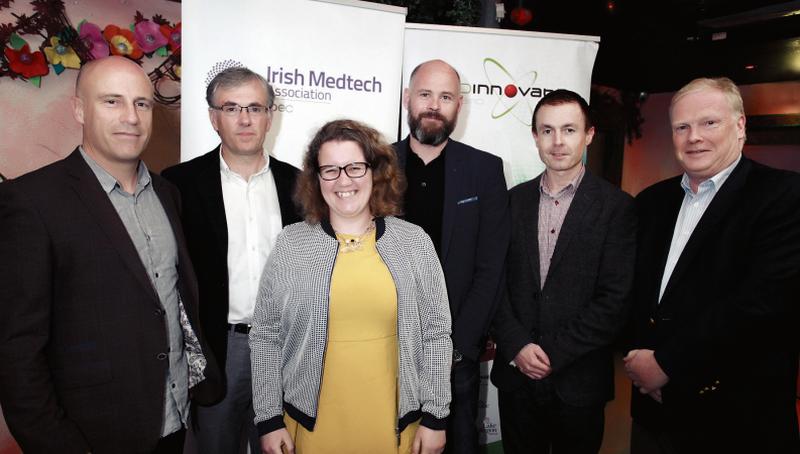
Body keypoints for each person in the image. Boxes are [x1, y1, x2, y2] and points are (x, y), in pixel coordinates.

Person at [0, 56, 221, 454]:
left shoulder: (168, 193)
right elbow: (17, 351)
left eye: (141, 103)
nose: (131, 117)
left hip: (174, 421)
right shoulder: (32, 202)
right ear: (79, 109)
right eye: (112, 101)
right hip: (94, 436)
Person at [250, 119, 452, 454]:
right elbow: (266, 334)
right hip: (312, 425)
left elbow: (435, 333)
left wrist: (435, 416)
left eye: (355, 167)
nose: (343, 180)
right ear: (316, 178)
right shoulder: (291, 244)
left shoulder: (415, 242)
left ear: (375, 171)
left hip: (395, 423)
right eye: (330, 169)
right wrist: (269, 419)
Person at [625, 77, 800, 454]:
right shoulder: (651, 202)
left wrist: (666, 364)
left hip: (736, 420)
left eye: (709, 123)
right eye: (682, 127)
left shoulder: (785, 196)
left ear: (740, 127)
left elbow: (761, 305)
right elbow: (634, 294)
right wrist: (640, 363)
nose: (693, 137)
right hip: (653, 414)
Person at [161, 66, 299, 453]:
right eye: (232, 107)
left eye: (255, 108)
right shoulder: (178, 184)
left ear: (270, 116)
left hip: (286, 348)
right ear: (213, 117)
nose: (244, 119)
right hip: (220, 349)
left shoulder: (300, 184)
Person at [490, 89, 636, 454]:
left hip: (579, 380)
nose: (558, 142)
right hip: (517, 377)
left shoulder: (618, 208)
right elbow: (495, 283)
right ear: (535, 137)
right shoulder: (510, 201)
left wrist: (551, 352)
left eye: (569, 130)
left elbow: (615, 301)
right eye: (547, 130)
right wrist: (518, 345)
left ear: (588, 135)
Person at [392, 59, 510, 454]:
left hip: (456, 354)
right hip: (385, 350)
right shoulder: (375, 166)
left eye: (445, 97)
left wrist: (458, 346)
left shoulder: (485, 170)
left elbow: (490, 268)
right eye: (425, 94)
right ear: (408, 98)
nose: (433, 105)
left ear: (458, 105)